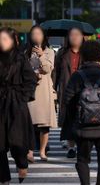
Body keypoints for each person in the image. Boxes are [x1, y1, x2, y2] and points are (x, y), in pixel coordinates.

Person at [63, 40, 100, 185]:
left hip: (83, 128)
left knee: (82, 160)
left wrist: (76, 119)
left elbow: (67, 100)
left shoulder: (77, 76)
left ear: (83, 55)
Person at [0, 27, 37, 184]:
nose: (2, 42)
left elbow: (31, 80)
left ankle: (22, 162)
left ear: (14, 41)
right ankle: (4, 178)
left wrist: (22, 97)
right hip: (0, 103)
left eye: (5, 39)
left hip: (16, 103)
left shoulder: (20, 59)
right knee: (0, 145)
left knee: (17, 142)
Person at [24, 25, 57, 162]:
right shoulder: (25, 52)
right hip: (30, 90)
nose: (36, 36)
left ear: (43, 36)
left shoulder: (49, 52)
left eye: (39, 34)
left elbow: (48, 69)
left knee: (44, 125)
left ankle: (42, 151)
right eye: (34, 34)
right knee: (29, 124)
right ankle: (29, 151)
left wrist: (41, 55)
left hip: (44, 91)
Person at [55, 27, 84, 158]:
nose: (74, 37)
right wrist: (54, 89)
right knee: (68, 119)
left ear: (83, 37)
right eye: (72, 35)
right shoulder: (62, 53)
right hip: (67, 90)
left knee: (82, 118)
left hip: (83, 91)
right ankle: (71, 147)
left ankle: (81, 145)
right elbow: (55, 73)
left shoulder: (86, 53)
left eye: (77, 35)